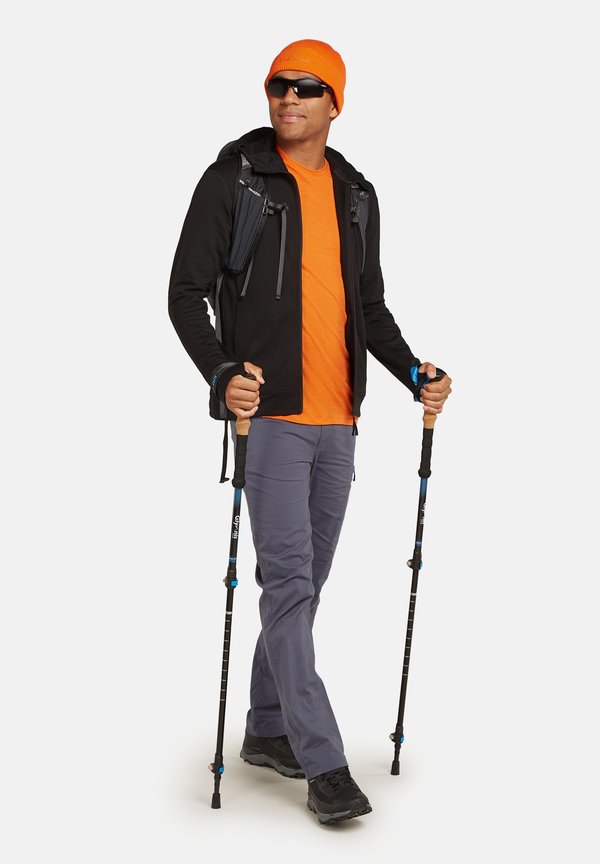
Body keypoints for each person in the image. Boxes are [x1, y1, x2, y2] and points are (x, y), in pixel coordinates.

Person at [168, 38, 452, 825]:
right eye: (278, 85)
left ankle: (267, 728)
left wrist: (414, 373)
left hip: (340, 425)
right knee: (289, 587)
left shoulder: (357, 193)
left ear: (335, 102)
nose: (288, 97)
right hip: (273, 420)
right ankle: (325, 765)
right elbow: (186, 292)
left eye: (306, 87)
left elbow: (370, 308)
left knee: (304, 588)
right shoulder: (235, 180)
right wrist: (223, 373)